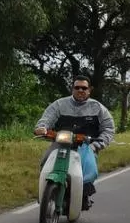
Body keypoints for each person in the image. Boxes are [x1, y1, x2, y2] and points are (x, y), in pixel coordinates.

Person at [33, 75, 115, 209]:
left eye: (84, 88)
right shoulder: (59, 104)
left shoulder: (98, 108)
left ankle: (84, 195)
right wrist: (42, 128)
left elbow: (109, 128)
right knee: (45, 160)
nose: (80, 90)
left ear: (90, 90)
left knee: (88, 168)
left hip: (86, 146)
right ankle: (44, 192)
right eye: (77, 87)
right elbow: (46, 119)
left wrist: (97, 145)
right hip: (60, 143)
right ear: (72, 89)